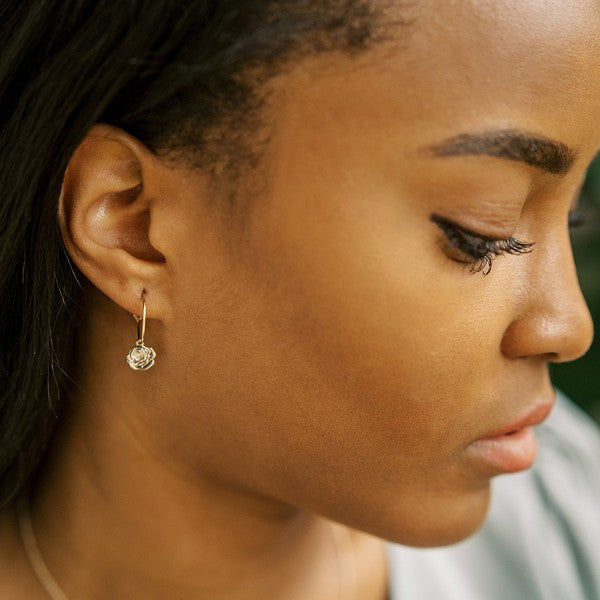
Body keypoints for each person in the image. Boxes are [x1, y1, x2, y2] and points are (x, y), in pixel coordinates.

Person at [0, 1, 599, 598]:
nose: (569, 326)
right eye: (480, 233)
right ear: (136, 228)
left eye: (572, 219)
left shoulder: (570, 527)